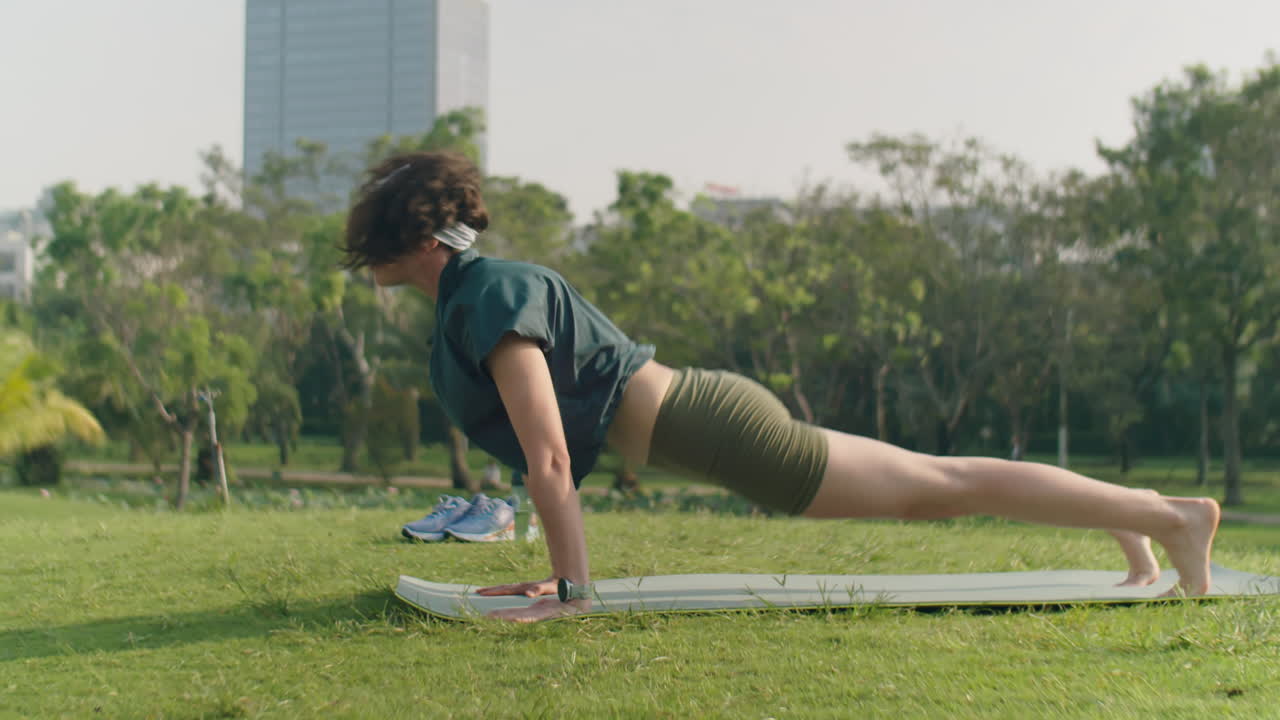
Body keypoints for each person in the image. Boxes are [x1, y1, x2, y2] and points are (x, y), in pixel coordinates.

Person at [342, 151, 1220, 624]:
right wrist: (560, 579)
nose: (363, 259)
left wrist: (570, 593)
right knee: (938, 477)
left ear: (420, 241)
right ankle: (1131, 511)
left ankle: (1169, 519)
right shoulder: (474, 295)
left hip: (727, 436)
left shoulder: (491, 293)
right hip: (714, 423)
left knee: (938, 489)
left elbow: (548, 455)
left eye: (373, 241)